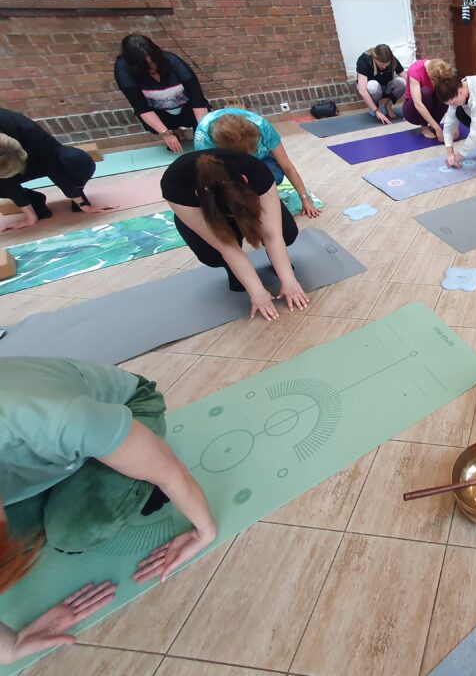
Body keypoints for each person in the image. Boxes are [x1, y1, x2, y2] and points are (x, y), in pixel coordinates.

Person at [0, 357, 218, 665]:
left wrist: (204, 531)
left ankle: (121, 477)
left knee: (76, 531)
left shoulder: (45, 417)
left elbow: (168, 471)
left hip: (126, 408)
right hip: (45, 456)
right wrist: (9, 648)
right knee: (16, 550)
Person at [161, 147, 308, 320]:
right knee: (212, 255)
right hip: (205, 212)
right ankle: (234, 271)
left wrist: (289, 281)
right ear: (197, 195)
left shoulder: (255, 171)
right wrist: (257, 293)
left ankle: (279, 265)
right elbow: (227, 246)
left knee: (286, 232)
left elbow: (272, 235)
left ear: (245, 180)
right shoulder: (176, 185)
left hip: (247, 201)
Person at [194, 109, 320, 219]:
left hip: (260, 159)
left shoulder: (263, 127)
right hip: (226, 162)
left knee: (274, 176)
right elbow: (210, 177)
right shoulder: (203, 139)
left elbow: (287, 166)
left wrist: (305, 198)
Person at [0, 109, 106, 233]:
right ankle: (35, 201)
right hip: (10, 162)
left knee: (77, 160)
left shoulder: (27, 129)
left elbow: (51, 165)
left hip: (42, 156)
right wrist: (30, 216)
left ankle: (78, 193)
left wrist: (82, 204)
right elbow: (5, 181)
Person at [114, 34, 211, 153]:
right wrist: (166, 134)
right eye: (146, 66)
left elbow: (197, 99)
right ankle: (172, 134)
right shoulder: (123, 69)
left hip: (187, 108)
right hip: (160, 112)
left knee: (205, 126)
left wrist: (202, 131)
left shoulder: (173, 61)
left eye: (153, 62)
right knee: (153, 126)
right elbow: (141, 107)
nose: (152, 67)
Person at [402, 58, 457, 141]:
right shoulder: (415, 70)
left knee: (444, 91)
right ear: (427, 71)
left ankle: (434, 124)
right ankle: (424, 128)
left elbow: (452, 97)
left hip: (431, 107)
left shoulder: (439, 68)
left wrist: (455, 125)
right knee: (425, 92)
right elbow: (418, 104)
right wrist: (437, 128)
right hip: (413, 112)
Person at [356, 44, 406, 125]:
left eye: (387, 64)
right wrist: (376, 111)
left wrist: (411, 106)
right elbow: (362, 91)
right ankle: (376, 108)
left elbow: (407, 78)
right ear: (375, 58)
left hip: (387, 86)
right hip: (372, 90)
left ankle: (388, 105)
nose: (384, 67)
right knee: (372, 86)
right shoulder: (364, 60)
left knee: (403, 82)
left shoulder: (392, 59)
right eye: (382, 64)